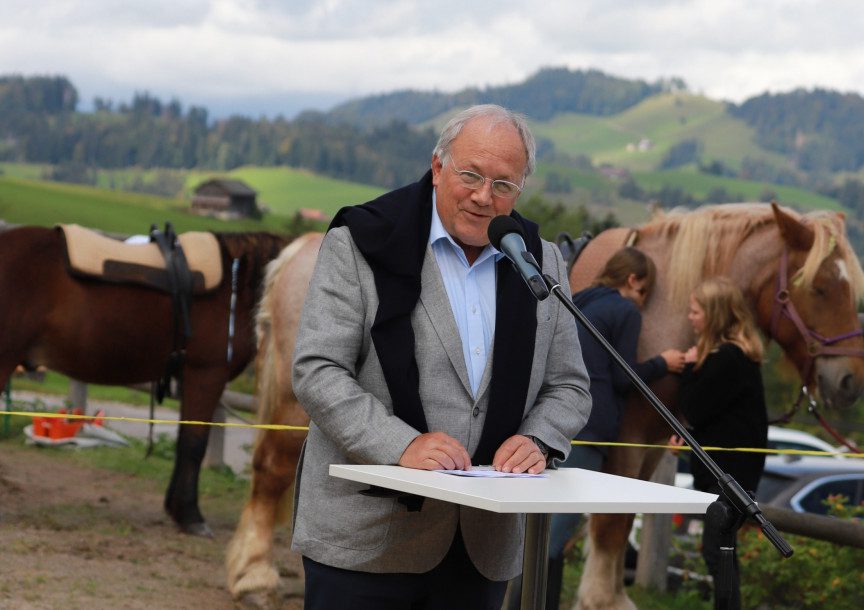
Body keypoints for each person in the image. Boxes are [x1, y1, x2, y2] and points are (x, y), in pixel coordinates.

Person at [290, 104, 592, 610]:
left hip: (481, 548)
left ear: (520, 190)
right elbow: (318, 370)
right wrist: (399, 444)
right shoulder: (361, 242)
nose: (482, 195)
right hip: (367, 541)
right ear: (437, 168)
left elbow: (569, 385)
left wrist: (539, 438)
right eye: (470, 175)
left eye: (503, 184)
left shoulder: (541, 261)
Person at [509, 246, 673, 610]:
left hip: (552, 421)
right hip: (591, 425)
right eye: (644, 292)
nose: (643, 302)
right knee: (553, 538)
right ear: (632, 281)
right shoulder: (626, 310)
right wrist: (664, 362)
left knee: (538, 530)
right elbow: (622, 376)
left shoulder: (579, 300)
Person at [664, 276, 768, 610]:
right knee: (722, 550)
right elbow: (714, 414)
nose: (691, 318)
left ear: (715, 315)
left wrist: (689, 368)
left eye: (696, 312)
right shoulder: (737, 357)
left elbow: (694, 406)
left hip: (727, 474)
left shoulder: (726, 359)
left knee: (717, 551)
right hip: (731, 470)